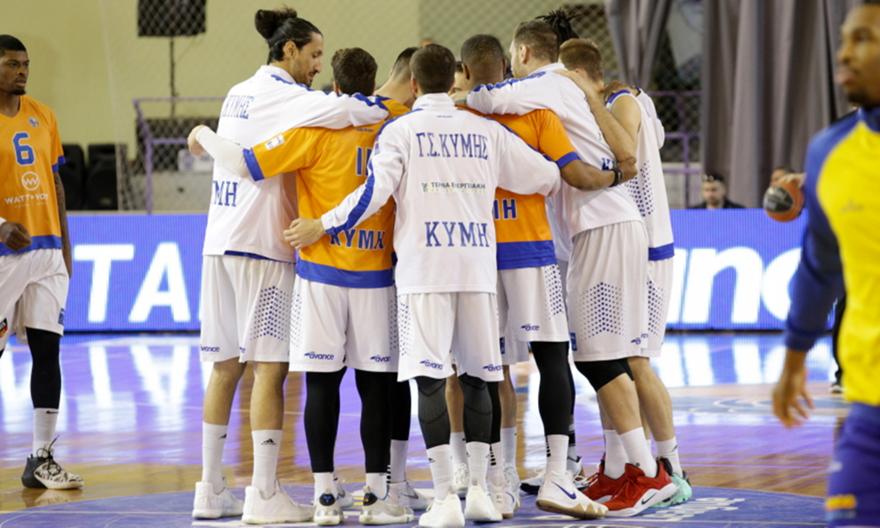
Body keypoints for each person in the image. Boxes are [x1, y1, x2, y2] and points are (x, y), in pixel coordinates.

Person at [288, 43, 605, 527]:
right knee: (480, 376)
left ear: (414, 84)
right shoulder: (486, 131)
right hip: (476, 268)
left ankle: (443, 498)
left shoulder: (400, 131)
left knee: (432, 379)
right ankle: (479, 490)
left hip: (424, 272)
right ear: (453, 79)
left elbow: (372, 195)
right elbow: (546, 177)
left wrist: (323, 224)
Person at [191, 46, 414, 526]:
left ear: (335, 86)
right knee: (376, 386)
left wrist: (203, 134)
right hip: (375, 272)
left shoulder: (310, 128)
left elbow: (248, 162)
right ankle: (380, 493)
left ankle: (323, 497)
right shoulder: (396, 123)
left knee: (317, 384)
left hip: (313, 273)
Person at [466, 19, 678, 517]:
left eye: (513, 57)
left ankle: (649, 474)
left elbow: (482, 98)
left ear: (522, 52)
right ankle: (626, 468)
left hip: (603, 225)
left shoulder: (543, 84)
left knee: (599, 358)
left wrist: (440, 103)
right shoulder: (567, 87)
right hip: (610, 226)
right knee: (606, 356)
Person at [555, 36, 692, 507]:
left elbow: (627, 152)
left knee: (634, 360)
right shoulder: (624, 100)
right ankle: (618, 466)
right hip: (631, 240)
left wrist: (593, 103)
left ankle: (669, 467)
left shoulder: (623, 102)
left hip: (645, 243)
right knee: (612, 356)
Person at [773, 3, 880, 527]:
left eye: (864, 38)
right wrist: (794, 360)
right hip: (870, 407)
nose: (844, 52)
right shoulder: (829, 153)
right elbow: (819, 269)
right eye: (844, 38)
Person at [0, 34, 80, 491]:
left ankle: (41, 457)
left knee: (48, 352)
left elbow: (56, 184)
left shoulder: (43, 115)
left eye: (25, 64)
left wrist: (66, 245)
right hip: (4, 255)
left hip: (46, 251)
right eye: (12, 64)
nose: (22, 72)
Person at [372, 45, 429, 512]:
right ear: (413, 81)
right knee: (395, 374)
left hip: (352, 258)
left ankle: (383, 481)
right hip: (392, 259)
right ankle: (391, 481)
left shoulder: (352, 109)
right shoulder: (403, 121)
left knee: (376, 377)